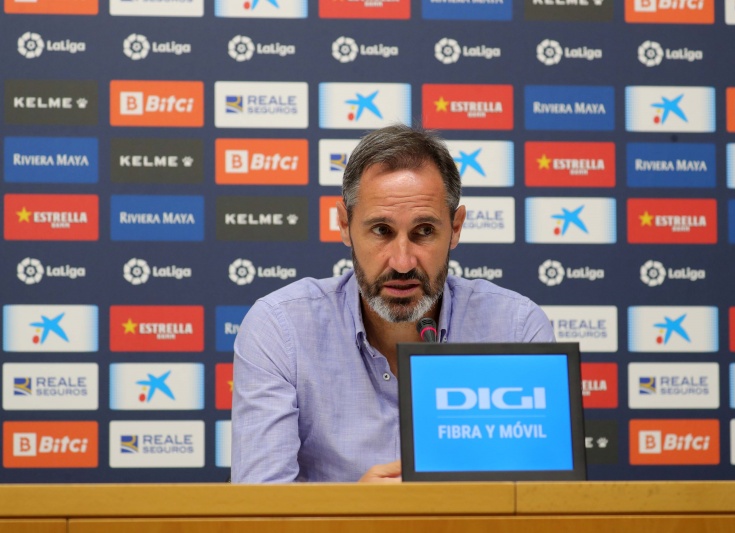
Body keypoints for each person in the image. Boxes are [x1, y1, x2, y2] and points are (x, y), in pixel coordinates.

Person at [232, 124, 555, 483]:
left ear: (456, 228)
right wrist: (355, 510)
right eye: (381, 231)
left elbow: (542, 499)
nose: (402, 262)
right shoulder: (281, 329)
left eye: (424, 231)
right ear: (344, 225)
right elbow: (260, 505)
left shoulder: (516, 329)